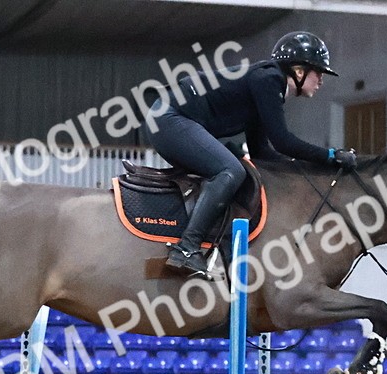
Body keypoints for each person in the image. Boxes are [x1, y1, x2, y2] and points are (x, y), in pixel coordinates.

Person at [147, 31, 357, 279]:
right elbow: (283, 141)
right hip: (170, 118)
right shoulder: (269, 80)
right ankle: (187, 248)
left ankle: (212, 245)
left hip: (171, 118)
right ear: (299, 71)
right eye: (318, 72)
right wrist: (331, 156)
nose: (321, 80)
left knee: (235, 170)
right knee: (230, 170)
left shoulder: (266, 83)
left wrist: (303, 169)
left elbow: (261, 152)